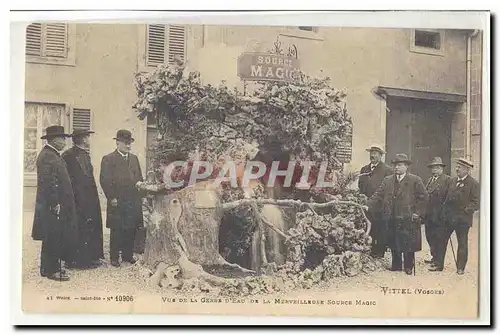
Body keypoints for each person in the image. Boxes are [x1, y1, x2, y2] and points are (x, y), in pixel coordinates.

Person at [368, 153, 428, 275]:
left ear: (406, 167)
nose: (396, 168)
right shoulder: (388, 180)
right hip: (391, 216)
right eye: (395, 165)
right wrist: (367, 205)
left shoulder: (415, 180)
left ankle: (408, 265)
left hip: (407, 216)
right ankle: (396, 265)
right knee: (393, 240)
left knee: (408, 242)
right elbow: (377, 195)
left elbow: (424, 198)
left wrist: (417, 213)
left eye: (399, 165)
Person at [31, 125, 78, 281]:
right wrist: (54, 203)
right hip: (52, 206)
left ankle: (48, 268)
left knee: (54, 236)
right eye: (62, 138)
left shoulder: (53, 154)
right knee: (53, 237)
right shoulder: (47, 156)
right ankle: (52, 271)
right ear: (53, 139)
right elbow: (48, 183)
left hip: (56, 205)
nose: (64, 141)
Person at [100, 130, 144, 267]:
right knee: (116, 229)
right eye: (125, 143)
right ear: (117, 142)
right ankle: (114, 257)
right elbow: (105, 180)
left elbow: (139, 178)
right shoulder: (108, 159)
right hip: (117, 201)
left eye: (129, 143)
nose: (128, 146)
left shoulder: (134, 159)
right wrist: (111, 197)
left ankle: (127, 255)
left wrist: (141, 188)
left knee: (131, 228)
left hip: (133, 200)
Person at [62, 129, 104, 269]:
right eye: (87, 136)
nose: (88, 139)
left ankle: (90, 257)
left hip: (89, 197)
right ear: (81, 138)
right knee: (77, 227)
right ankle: (75, 260)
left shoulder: (85, 154)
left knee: (89, 226)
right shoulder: (68, 155)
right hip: (76, 198)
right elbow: (66, 178)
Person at [431, 158, 480, 275]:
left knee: (462, 243)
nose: (457, 169)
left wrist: (465, 210)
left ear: (467, 170)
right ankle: (438, 264)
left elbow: (476, 202)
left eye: (460, 167)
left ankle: (460, 267)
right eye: (457, 166)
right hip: (448, 218)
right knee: (441, 240)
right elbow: (446, 198)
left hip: (462, 220)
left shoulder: (473, 184)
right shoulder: (452, 181)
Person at [358, 144, 392, 258]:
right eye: (371, 153)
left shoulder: (387, 170)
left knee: (380, 227)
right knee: (369, 225)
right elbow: (360, 185)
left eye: (376, 153)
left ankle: (380, 251)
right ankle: (370, 250)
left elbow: (388, 188)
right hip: (367, 204)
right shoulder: (364, 169)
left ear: (381, 155)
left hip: (380, 205)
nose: (372, 155)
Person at [423, 157, 451, 268]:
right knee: (429, 236)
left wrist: (446, 213)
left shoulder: (448, 180)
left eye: (437, 167)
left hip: (440, 215)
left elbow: (449, 198)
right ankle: (434, 257)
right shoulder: (429, 180)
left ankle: (439, 263)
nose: (435, 170)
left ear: (442, 169)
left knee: (439, 239)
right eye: (433, 168)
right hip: (429, 214)